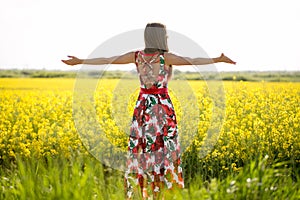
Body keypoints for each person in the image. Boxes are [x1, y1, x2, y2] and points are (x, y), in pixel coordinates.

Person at [62, 22, 235, 199]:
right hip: (161, 106)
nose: (167, 38)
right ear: (160, 37)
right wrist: (217, 59)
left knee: (143, 147)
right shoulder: (164, 57)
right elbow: (193, 61)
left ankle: (143, 191)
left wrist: (80, 61)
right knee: (164, 147)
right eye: (165, 35)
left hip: (143, 107)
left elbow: (108, 59)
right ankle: (163, 190)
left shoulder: (137, 56)